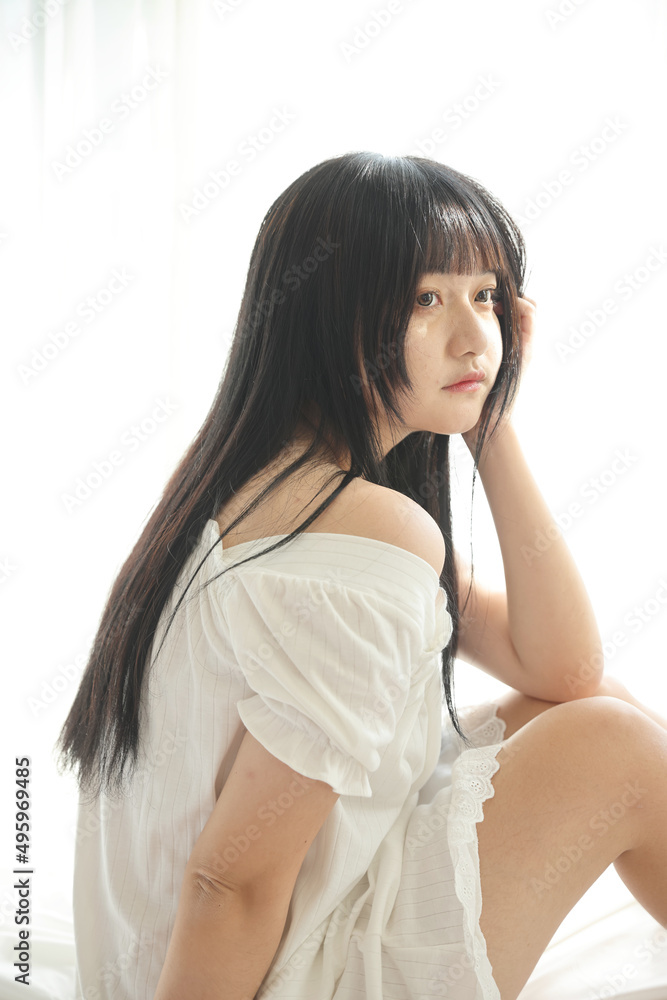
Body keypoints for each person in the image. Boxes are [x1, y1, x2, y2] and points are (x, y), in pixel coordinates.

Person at [56, 151, 667, 1000]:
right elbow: (229, 883)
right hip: (290, 975)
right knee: (614, 745)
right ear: (326, 316)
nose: (474, 337)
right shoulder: (357, 534)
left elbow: (563, 670)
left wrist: (488, 421)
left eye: (485, 296)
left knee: (593, 711)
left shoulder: (261, 482)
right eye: (425, 299)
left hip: (227, 944)